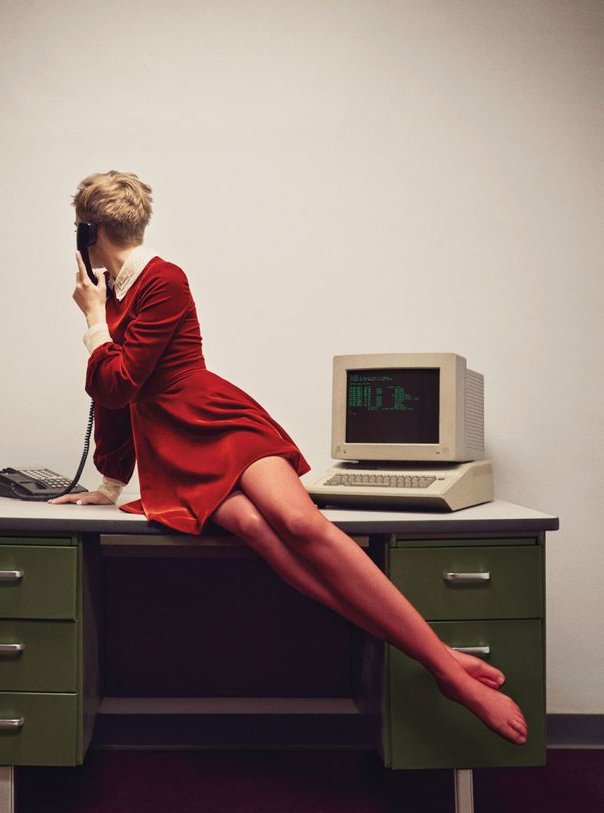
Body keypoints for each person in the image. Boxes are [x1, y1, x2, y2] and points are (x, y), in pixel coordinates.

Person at [50, 169, 528, 747]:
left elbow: (119, 380)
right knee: (257, 529)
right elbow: (116, 400)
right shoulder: (114, 293)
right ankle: (436, 659)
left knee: (301, 523)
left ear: (88, 231)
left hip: (218, 423)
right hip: (173, 452)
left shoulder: (162, 280)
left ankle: (447, 670)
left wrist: (93, 322)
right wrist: (109, 483)